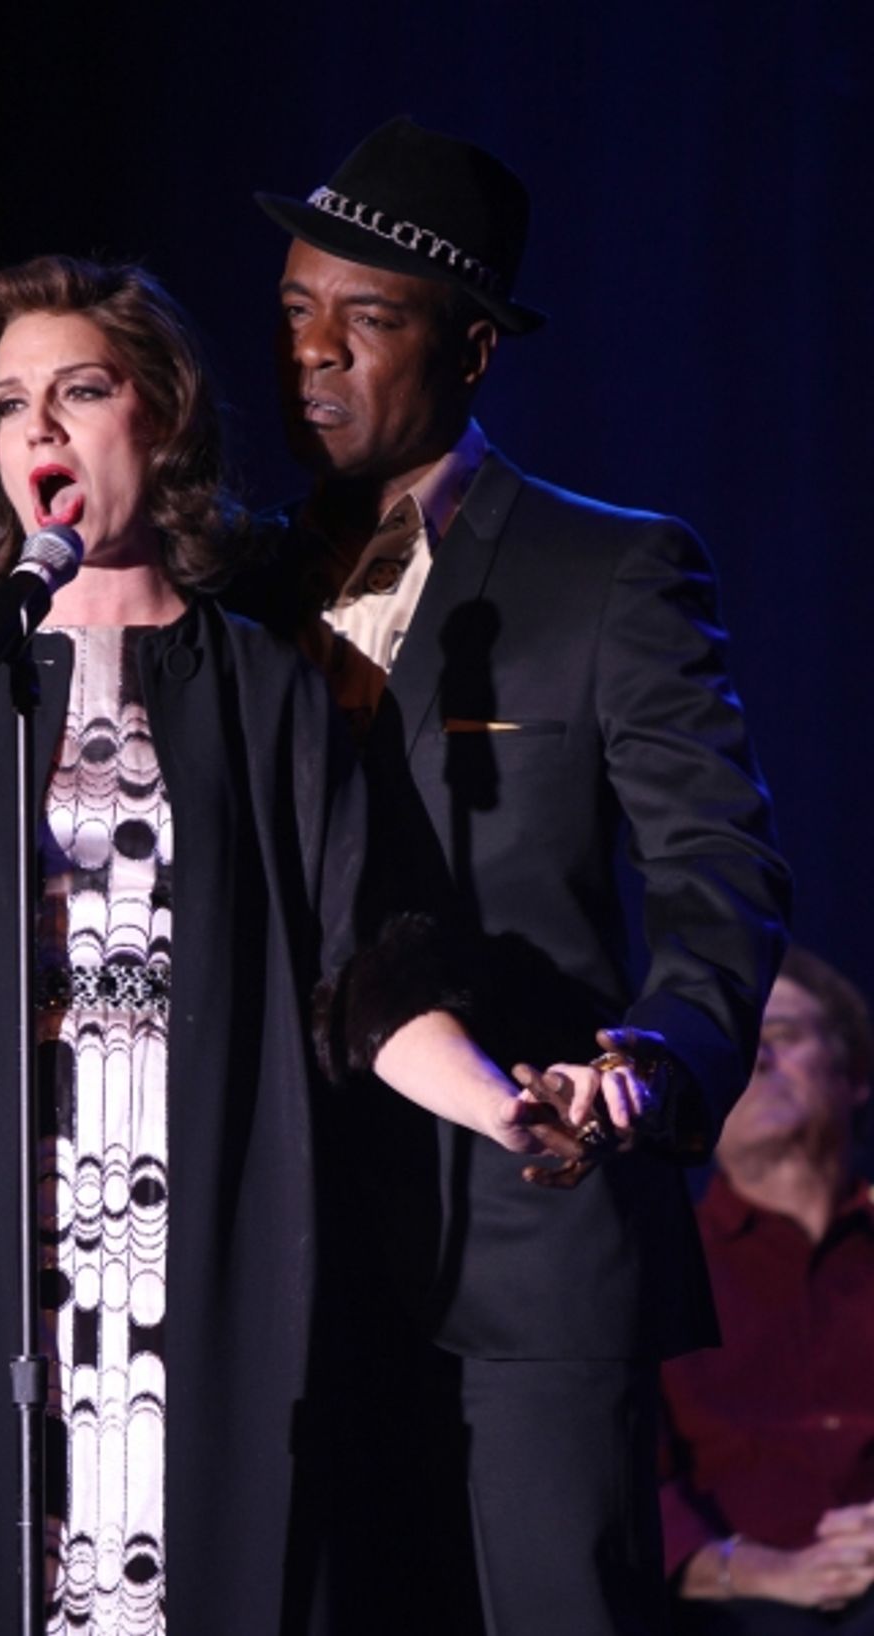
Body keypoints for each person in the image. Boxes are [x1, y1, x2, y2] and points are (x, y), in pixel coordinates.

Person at [0, 254, 575, 1636]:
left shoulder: (263, 690)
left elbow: (361, 982)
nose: (41, 428)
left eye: (81, 391)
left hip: (193, 1270)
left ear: (163, 417)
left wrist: (507, 1106)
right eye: (12, 402)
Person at [239, 116, 794, 1635]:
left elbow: (717, 870)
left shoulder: (606, 570)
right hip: (280, 1260)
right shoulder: (227, 590)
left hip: (529, 1239)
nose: (314, 352)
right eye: (294, 310)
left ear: (474, 350)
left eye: (367, 317)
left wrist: (649, 1062)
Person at [661, 947, 874, 1634]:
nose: (756, 1062)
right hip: (730, 1611)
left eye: (781, 1034)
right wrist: (758, 1572)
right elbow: (624, 1484)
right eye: (733, 1052)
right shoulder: (657, 1270)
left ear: (854, 1073)